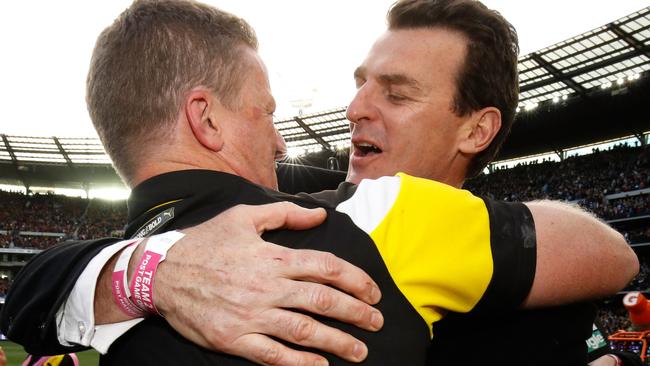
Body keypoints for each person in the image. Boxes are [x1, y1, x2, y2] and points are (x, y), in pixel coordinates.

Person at [1, 0, 638, 365]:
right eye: (360, 82)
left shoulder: (550, 289)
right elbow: (38, 289)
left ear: (476, 130)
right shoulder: (287, 220)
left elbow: (613, 256)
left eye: (397, 92)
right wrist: (152, 269)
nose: (356, 106)